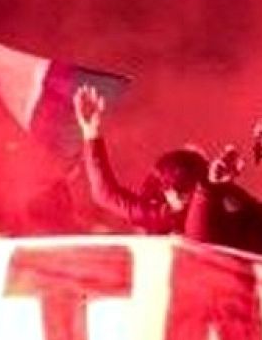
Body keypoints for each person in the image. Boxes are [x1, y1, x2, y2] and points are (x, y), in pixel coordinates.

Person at [73, 85, 211, 234]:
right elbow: (106, 195)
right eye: (168, 188)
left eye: (183, 190)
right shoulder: (160, 215)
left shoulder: (217, 212)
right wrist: (90, 132)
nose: (175, 197)